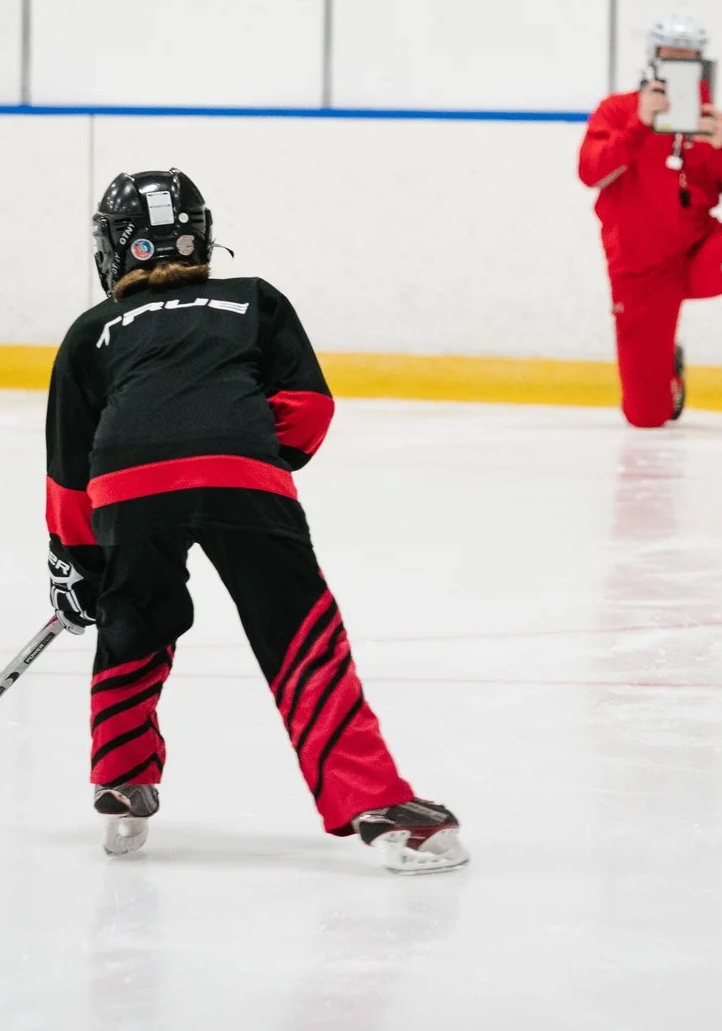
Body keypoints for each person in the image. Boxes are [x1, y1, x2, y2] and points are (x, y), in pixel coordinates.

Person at [44, 167, 468, 874]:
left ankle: (120, 780)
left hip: (124, 479)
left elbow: (69, 468)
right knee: (298, 633)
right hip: (239, 470)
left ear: (118, 249)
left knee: (134, 618)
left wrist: (78, 564)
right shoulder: (252, 300)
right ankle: (376, 807)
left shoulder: (91, 330)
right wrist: (249, 450)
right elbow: (308, 409)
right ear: (201, 236)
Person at [577, 12, 722, 426]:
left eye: (688, 60)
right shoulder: (619, 111)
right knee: (646, 417)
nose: (679, 69)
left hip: (700, 255)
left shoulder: (711, 120)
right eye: (670, 58)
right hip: (640, 271)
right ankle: (667, 365)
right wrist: (639, 126)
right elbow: (590, 171)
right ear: (653, 60)